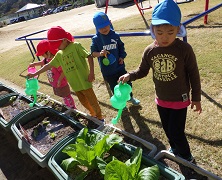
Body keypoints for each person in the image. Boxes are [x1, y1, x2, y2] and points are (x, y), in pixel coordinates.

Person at [118, 0, 202, 162]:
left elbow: (194, 74)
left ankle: (186, 156)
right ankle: (175, 148)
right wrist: (130, 75)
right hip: (161, 100)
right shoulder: (150, 51)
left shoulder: (184, 49)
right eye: (160, 32)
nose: (165, 37)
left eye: (170, 32)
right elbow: (142, 71)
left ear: (178, 29)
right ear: (152, 30)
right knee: (167, 129)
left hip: (180, 99)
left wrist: (196, 98)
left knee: (176, 131)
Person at [27, 26, 104, 122]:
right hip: (75, 85)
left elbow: (89, 56)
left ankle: (100, 117)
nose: (55, 47)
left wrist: (91, 73)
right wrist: (36, 73)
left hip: (84, 80)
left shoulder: (76, 46)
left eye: (56, 44)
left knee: (92, 100)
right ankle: (93, 113)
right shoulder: (59, 54)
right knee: (83, 101)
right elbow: (48, 65)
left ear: (64, 40)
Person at [91, 12, 140, 108]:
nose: (104, 29)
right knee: (115, 87)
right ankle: (121, 103)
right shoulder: (96, 39)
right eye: (101, 28)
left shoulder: (115, 35)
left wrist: (122, 56)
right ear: (96, 27)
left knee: (126, 83)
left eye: (106, 26)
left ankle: (130, 97)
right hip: (108, 71)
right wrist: (100, 53)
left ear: (110, 23)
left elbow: (121, 47)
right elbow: (93, 53)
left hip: (119, 67)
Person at [29, 40, 76, 109]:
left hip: (61, 83)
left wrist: (60, 80)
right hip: (54, 82)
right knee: (63, 96)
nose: (42, 56)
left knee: (67, 95)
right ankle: (67, 106)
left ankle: (73, 108)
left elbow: (64, 71)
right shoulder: (46, 59)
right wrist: (34, 64)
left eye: (42, 54)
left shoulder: (56, 61)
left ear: (48, 52)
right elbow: (42, 63)